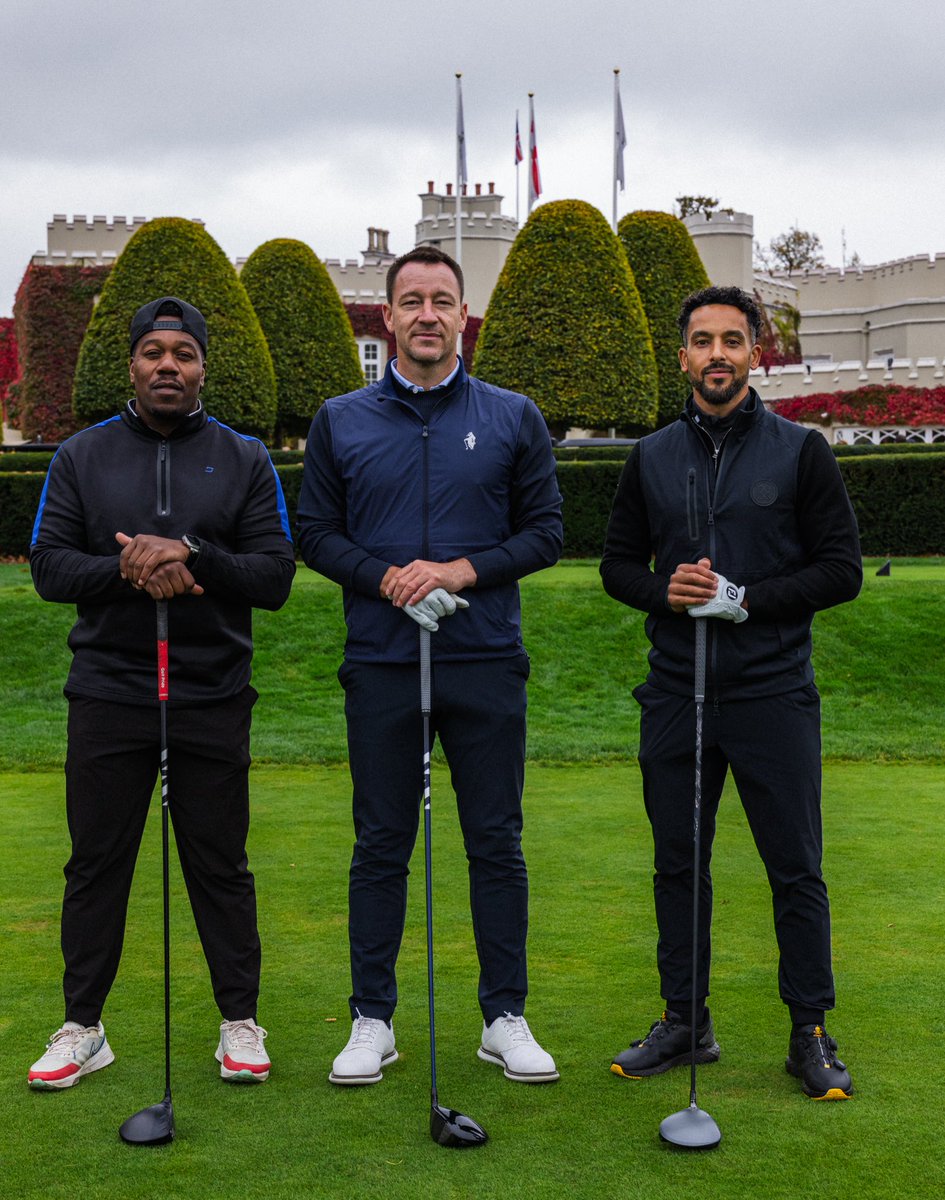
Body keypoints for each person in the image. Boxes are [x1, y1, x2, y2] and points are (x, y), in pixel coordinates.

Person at [297, 246, 563, 1086]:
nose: (425, 314)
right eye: (409, 300)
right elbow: (314, 533)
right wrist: (383, 577)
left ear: (461, 315)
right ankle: (372, 1018)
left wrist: (454, 572)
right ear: (387, 317)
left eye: (441, 300)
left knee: (495, 841)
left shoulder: (512, 414)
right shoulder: (340, 419)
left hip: (482, 656)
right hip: (380, 660)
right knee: (381, 842)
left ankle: (503, 1016)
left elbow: (546, 533)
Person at [600, 286, 862, 1100]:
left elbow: (840, 571)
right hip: (677, 691)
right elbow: (616, 567)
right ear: (681, 356)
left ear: (757, 354)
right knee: (679, 865)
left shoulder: (800, 450)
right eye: (702, 341)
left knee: (795, 867)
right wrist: (665, 595)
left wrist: (745, 600)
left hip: (772, 692)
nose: (717, 354)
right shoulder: (648, 457)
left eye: (733, 341)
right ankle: (685, 1022)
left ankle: (808, 1031)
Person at [28, 296, 295, 1089]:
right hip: (110, 693)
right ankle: (83, 1026)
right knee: (96, 864)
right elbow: (48, 567)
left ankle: (239, 1023)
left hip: (212, 693)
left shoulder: (244, 457)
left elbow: (275, 575)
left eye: (183, 352)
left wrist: (193, 553)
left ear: (203, 364)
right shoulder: (81, 456)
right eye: (154, 353)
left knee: (219, 864)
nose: (168, 365)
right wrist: (128, 564)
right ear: (133, 365)